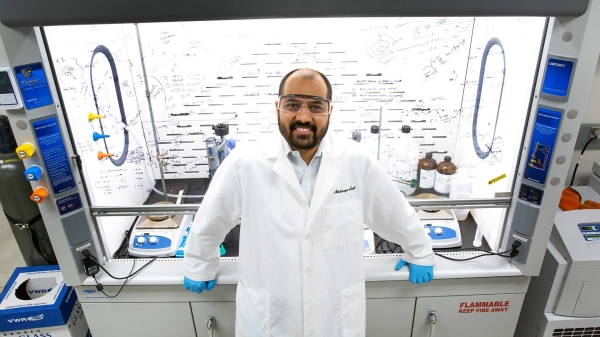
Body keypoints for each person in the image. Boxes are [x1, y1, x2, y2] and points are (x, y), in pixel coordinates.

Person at [183, 68, 434, 336]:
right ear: (277, 107)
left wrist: (418, 249)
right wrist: (200, 263)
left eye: (316, 106)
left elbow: (391, 212)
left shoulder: (357, 161)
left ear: (330, 111)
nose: (304, 116)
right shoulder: (245, 163)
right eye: (292, 104)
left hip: (333, 314)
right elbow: (214, 217)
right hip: (270, 314)